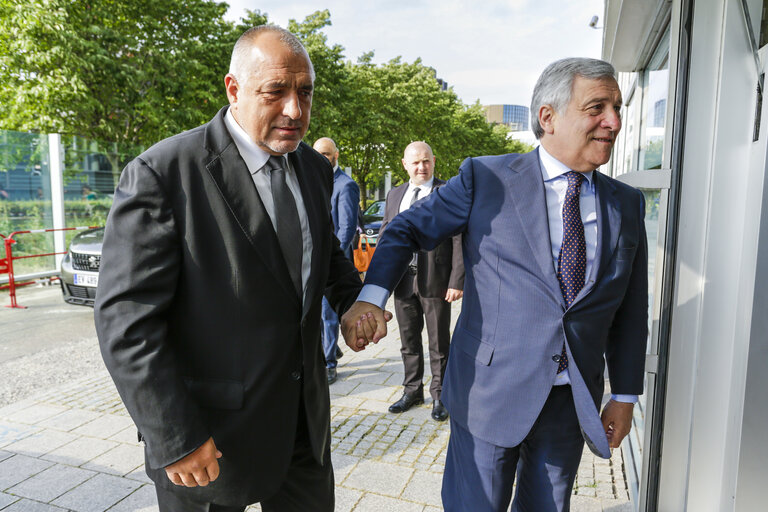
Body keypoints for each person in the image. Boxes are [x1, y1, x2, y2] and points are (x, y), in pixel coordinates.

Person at [342, 57, 648, 511]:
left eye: (617, 107)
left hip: (569, 403)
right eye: (597, 107)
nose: (615, 121)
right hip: (488, 395)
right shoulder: (486, 178)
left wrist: (624, 394)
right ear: (548, 116)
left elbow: (629, 309)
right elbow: (405, 229)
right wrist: (371, 296)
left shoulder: (626, 203)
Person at [95, 26, 369, 512]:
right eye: (276, 92)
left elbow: (322, 257)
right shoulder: (162, 174)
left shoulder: (314, 168)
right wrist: (175, 435)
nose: (295, 110)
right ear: (234, 89)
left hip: (304, 431)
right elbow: (126, 322)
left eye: (305, 92)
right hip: (208, 442)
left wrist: (351, 301)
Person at [382, 141, 463, 421]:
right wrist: (380, 282)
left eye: (426, 161)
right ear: (404, 164)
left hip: (436, 281)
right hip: (403, 281)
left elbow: (458, 239)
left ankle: (441, 396)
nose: (421, 167)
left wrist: (457, 280)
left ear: (434, 161)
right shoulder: (394, 195)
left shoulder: (446, 194)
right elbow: (385, 238)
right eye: (415, 162)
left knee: (439, 342)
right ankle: (412, 391)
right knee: (408, 341)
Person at [312, 137, 360, 384]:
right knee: (319, 316)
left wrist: (328, 262)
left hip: (332, 263)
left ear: (336, 155)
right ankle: (331, 349)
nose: (322, 157)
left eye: (327, 154)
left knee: (328, 316)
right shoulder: (311, 180)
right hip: (312, 264)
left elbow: (347, 229)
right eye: (318, 152)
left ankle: (330, 364)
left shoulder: (346, 185)